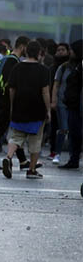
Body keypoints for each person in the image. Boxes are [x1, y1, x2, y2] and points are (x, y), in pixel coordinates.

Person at [2, 41, 51, 179]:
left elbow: (11, 89)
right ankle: (31, 170)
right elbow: (45, 92)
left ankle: (8, 156)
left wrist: (12, 105)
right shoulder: (43, 70)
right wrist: (48, 110)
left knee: (16, 136)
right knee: (36, 140)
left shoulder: (17, 67)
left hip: (19, 106)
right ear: (39, 53)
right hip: (37, 109)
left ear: (26, 51)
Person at [0, 36, 31, 170]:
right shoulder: (12, 61)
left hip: (5, 99)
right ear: (22, 46)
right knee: (1, 129)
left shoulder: (10, 59)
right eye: (27, 47)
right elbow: (10, 84)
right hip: (7, 100)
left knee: (15, 130)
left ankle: (23, 161)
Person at [58, 40, 82, 169]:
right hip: (73, 106)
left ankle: (74, 159)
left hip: (78, 107)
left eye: (72, 50)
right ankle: (74, 159)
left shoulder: (79, 67)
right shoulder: (74, 65)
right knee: (74, 135)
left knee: (76, 135)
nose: (70, 52)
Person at [49, 43, 71, 163]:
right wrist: (53, 101)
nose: (60, 52)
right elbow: (55, 85)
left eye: (63, 50)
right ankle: (56, 152)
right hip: (60, 102)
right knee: (59, 128)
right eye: (58, 50)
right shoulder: (60, 67)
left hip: (72, 102)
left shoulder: (75, 66)